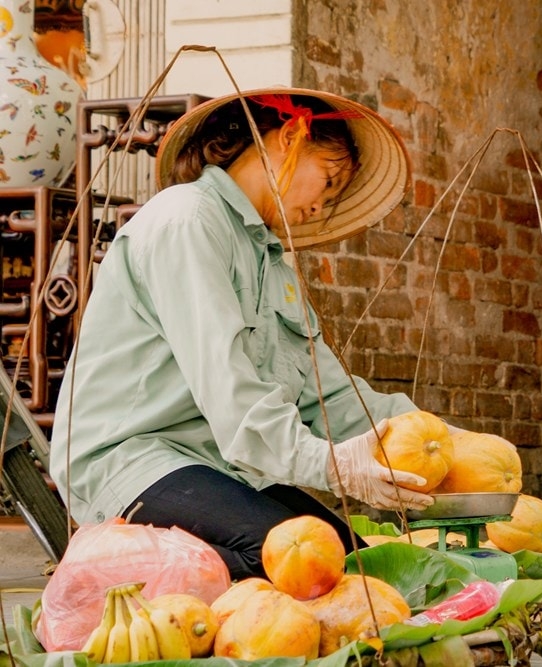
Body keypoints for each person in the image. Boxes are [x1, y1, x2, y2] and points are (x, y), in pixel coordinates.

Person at [50, 87, 435, 580]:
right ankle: (101, 584)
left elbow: (329, 398)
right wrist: (332, 465)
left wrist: (431, 437)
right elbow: (232, 392)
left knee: (360, 563)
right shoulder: (186, 221)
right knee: (298, 568)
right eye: (329, 180)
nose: (322, 207)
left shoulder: (271, 264)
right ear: (290, 136)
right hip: (130, 459)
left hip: (209, 466)